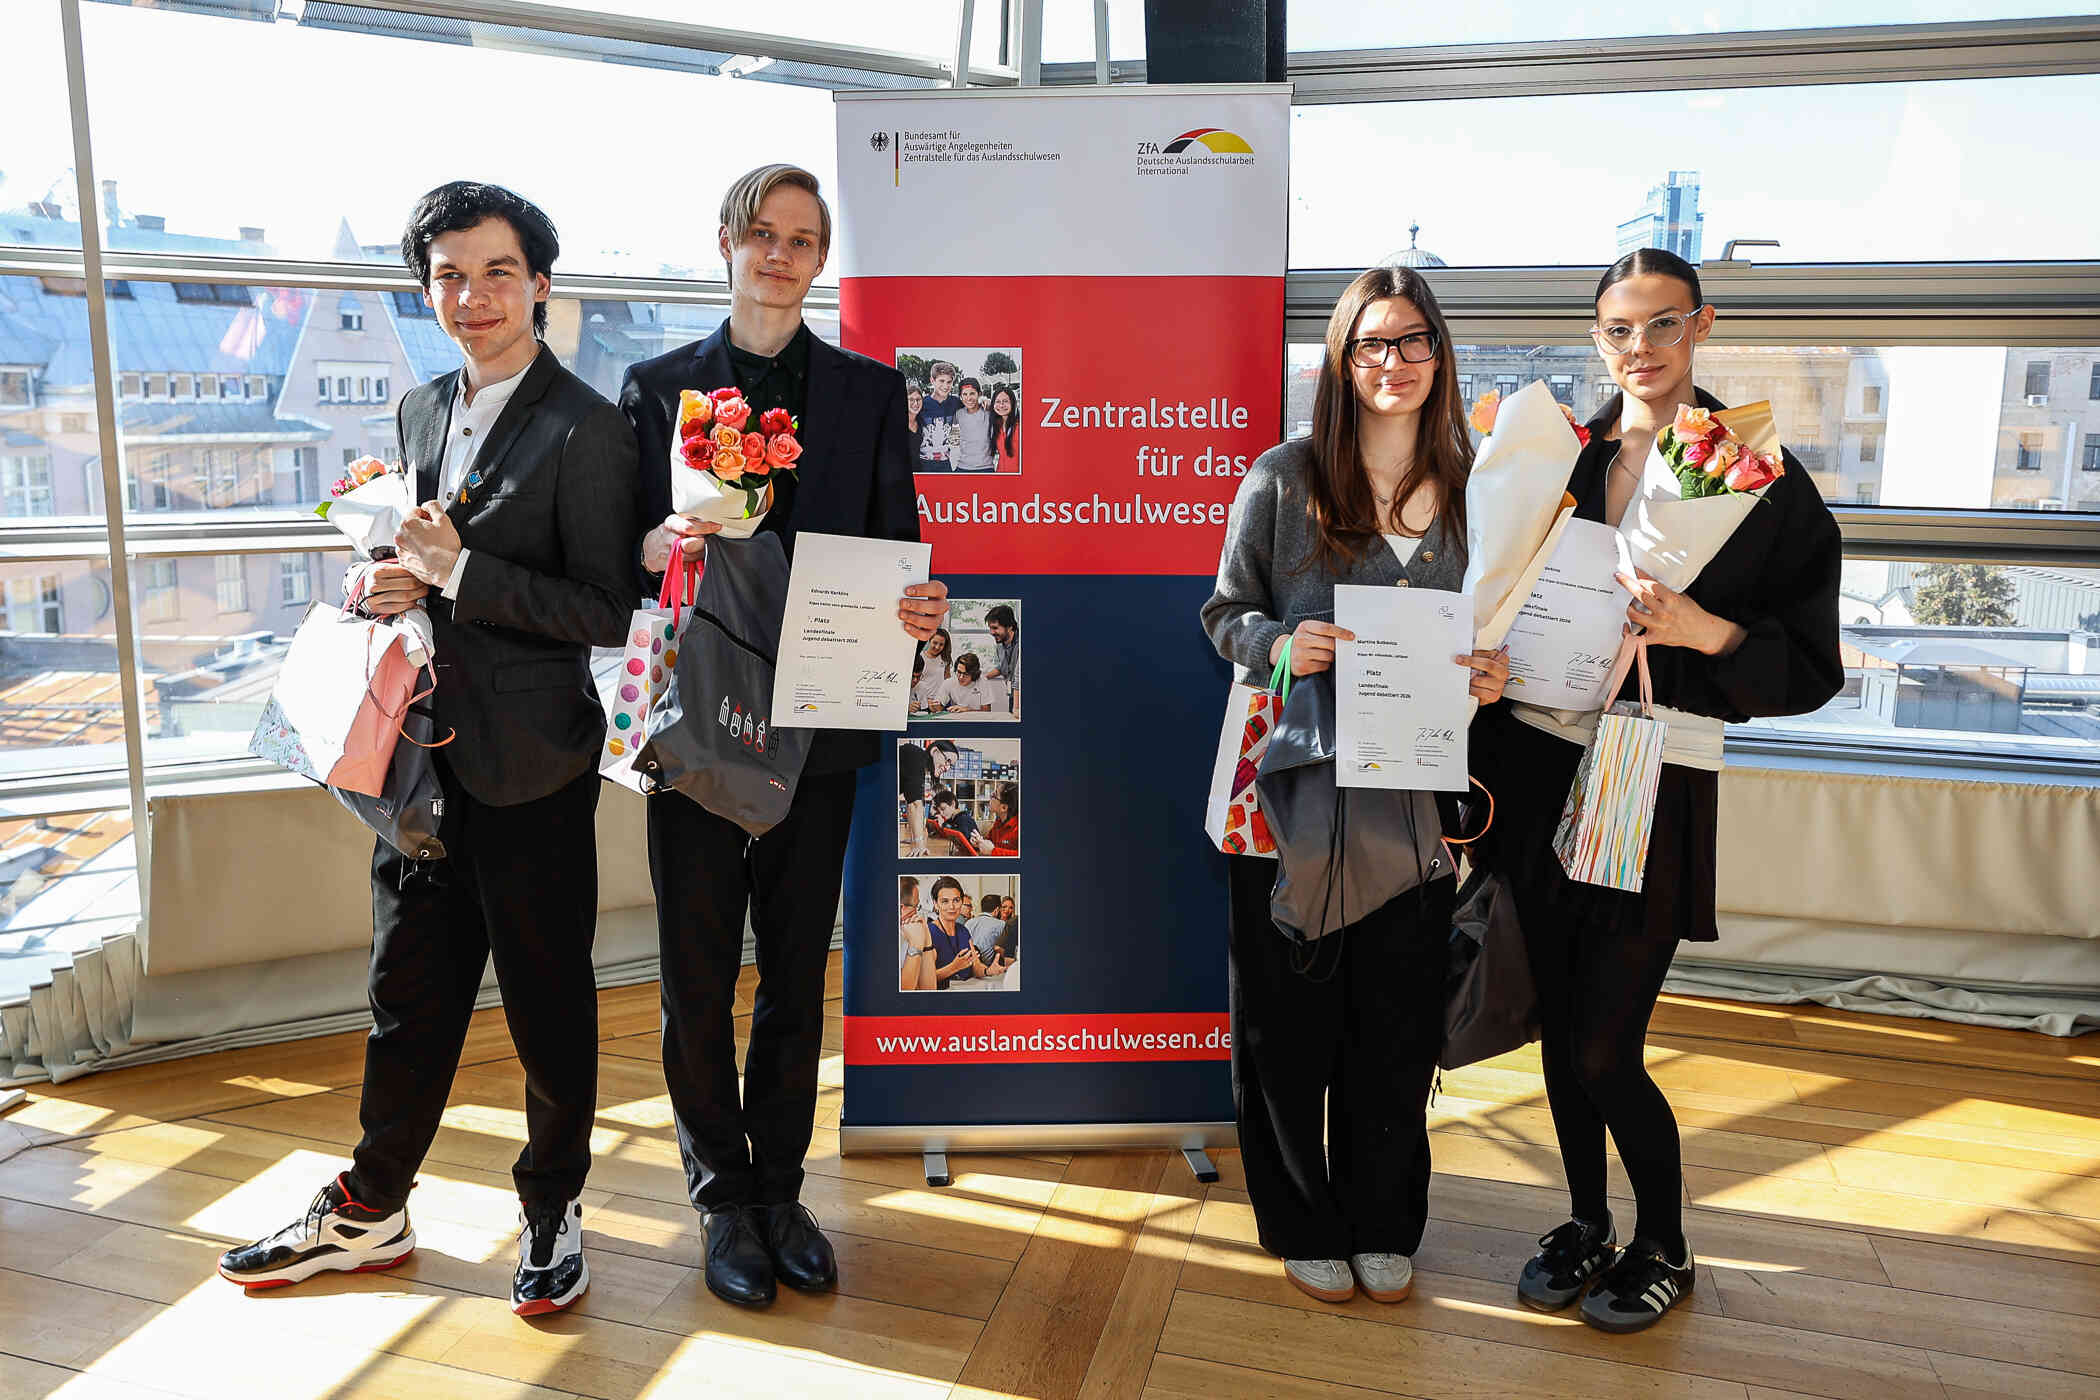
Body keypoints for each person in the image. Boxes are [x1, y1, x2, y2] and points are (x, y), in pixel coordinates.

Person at [218, 183, 639, 1317]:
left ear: (539, 283)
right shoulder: (416, 408)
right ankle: (373, 1206)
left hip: (533, 767)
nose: (473, 296)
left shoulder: (590, 428)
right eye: (449, 276)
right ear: (427, 290)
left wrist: (459, 572)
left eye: (497, 272)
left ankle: (552, 1206)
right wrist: (388, 580)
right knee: (404, 992)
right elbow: (416, 564)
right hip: (417, 758)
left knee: (548, 1005)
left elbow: (606, 608)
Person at [1472, 248, 1841, 1335]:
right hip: (1536, 764)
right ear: (1598, 338)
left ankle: (1665, 1240)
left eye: (1664, 324)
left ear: (1703, 325)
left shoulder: (1757, 476)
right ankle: (1587, 1219)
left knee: (1605, 1041)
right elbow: (1493, 599)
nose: (1642, 348)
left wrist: (1702, 628)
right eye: (1620, 329)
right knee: (1557, 1027)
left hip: (1656, 769)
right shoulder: (1555, 459)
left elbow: (1812, 666)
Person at [619, 164, 947, 1310]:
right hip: (699, 716)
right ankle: (722, 1195)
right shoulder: (658, 388)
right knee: (697, 969)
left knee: (797, 970)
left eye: (801, 240)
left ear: (820, 260)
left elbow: (898, 547)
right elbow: (616, 554)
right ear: (725, 241)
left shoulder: (868, 393)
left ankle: (780, 1190)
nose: (779, 254)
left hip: (826, 714)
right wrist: (651, 549)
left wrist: (921, 605)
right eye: (761, 232)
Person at [1201, 264, 1510, 1309]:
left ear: (1441, 353)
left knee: (1397, 1021)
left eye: (1414, 339)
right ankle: (1301, 1218)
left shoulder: (1478, 489)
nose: (1394, 361)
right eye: (1372, 342)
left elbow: (1494, 628)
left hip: (1414, 793)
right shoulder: (1284, 476)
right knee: (1285, 1023)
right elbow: (1224, 615)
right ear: (1341, 359)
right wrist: (1283, 643)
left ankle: (1385, 1218)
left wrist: (1493, 674)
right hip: (1288, 790)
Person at [899, 738, 959, 855]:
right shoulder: (916, 757)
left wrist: (914, 840)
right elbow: (914, 805)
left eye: (950, 765)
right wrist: (919, 844)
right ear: (934, 751)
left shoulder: (920, 765)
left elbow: (911, 803)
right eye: (947, 761)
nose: (947, 768)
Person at [924, 877, 982, 988]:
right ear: (936, 904)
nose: (952, 906)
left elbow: (977, 967)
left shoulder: (963, 930)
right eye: (945, 901)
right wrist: (954, 967)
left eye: (956, 900)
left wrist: (988, 971)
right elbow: (925, 980)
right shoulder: (929, 932)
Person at [916, 362, 960, 471]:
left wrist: (985, 402)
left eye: (949, 382)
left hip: (946, 463)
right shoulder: (922, 404)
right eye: (941, 381)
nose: (945, 386)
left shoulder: (955, 402)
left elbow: (972, 406)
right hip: (923, 463)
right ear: (932, 380)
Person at [898, 877, 936, 991]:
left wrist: (927, 939)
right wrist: (915, 945)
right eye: (916, 906)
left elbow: (929, 989)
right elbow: (904, 991)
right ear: (901, 908)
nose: (917, 912)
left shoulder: (909, 931)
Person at [951, 376, 996, 473]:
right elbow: (952, 437)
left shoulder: (988, 412)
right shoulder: (958, 414)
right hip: (962, 467)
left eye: (972, 393)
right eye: (965, 394)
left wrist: (989, 402)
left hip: (985, 467)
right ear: (960, 397)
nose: (969, 398)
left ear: (979, 394)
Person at [983, 603, 1019, 714]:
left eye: (995, 628)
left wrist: (1016, 708)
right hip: (1013, 694)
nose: (991, 632)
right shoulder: (1000, 644)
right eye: (990, 628)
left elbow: (1018, 677)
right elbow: (1003, 666)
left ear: (1009, 626)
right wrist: (983, 677)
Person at [912, 627, 953, 710]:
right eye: (935, 643)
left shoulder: (945, 659)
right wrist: (926, 701)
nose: (937, 647)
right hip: (922, 702)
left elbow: (948, 682)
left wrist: (942, 700)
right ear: (929, 640)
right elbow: (914, 683)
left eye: (941, 644)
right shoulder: (919, 658)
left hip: (939, 702)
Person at [982, 783, 1019, 853]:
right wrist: (979, 842)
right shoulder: (999, 823)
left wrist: (993, 851)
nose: (990, 796)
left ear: (1003, 808)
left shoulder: (1017, 829)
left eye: (994, 795)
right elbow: (989, 841)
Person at [991, 385, 1020, 472]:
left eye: (1005, 401)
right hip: (1001, 473)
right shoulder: (996, 426)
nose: (1001, 405)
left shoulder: (1020, 427)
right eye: (998, 401)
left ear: (1013, 403)